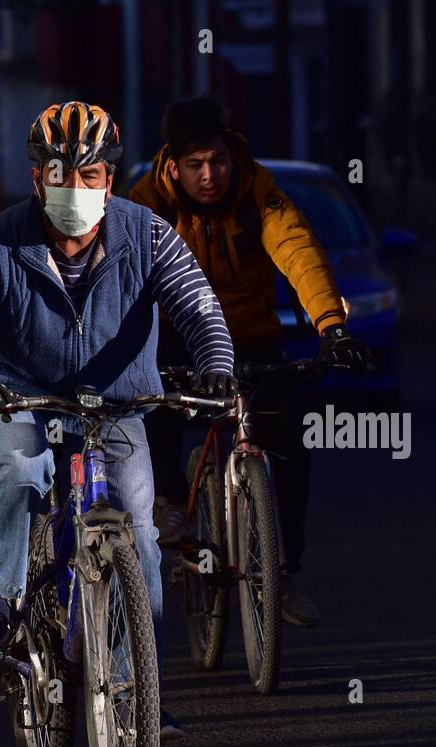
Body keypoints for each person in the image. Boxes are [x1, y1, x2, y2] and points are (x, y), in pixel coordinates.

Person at [0, 101, 235, 739]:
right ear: (37, 180)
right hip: (13, 390)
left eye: (91, 175)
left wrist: (217, 368)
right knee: (22, 463)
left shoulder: (146, 235)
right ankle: (0, 588)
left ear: (110, 180)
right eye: (61, 174)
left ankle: (135, 692)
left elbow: (199, 307)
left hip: (116, 397)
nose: (77, 188)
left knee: (140, 531)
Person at [129, 96, 372, 627]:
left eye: (217, 161)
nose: (209, 175)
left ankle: (285, 573)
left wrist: (330, 325)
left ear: (231, 155)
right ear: (173, 164)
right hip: (176, 337)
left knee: (288, 443)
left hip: (249, 340)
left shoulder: (259, 193)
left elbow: (298, 250)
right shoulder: (147, 202)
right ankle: (169, 499)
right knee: (147, 403)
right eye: (195, 166)